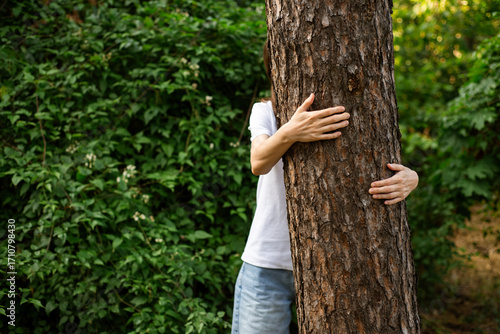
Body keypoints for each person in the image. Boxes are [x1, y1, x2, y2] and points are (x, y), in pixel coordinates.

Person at [231, 41, 419, 334]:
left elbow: (384, 162)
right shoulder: (266, 111)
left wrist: (412, 178)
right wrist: (291, 132)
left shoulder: (369, 105)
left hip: (333, 267)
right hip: (267, 267)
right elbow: (259, 161)